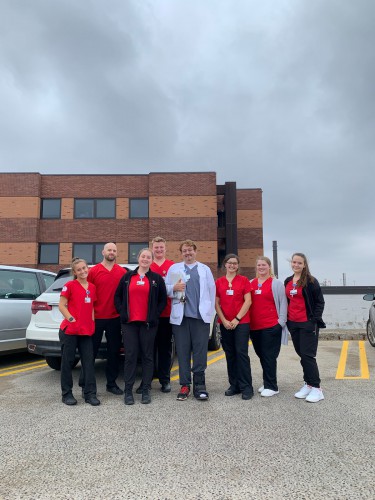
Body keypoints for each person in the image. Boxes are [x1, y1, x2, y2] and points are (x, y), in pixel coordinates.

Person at [114, 248, 167, 405]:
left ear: (151, 260)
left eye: (148, 257)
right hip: (129, 323)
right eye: (143, 256)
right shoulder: (127, 277)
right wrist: (122, 312)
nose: (145, 259)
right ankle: (128, 391)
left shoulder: (156, 278)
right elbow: (117, 296)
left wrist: (155, 314)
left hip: (148, 324)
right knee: (130, 356)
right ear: (138, 258)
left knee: (147, 356)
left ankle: (145, 389)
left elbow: (162, 300)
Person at [165, 239, 216, 401]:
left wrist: (208, 312)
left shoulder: (205, 269)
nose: (187, 253)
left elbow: (211, 291)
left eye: (190, 250)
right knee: (183, 352)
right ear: (181, 253)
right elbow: (166, 289)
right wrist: (174, 288)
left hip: (200, 318)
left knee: (200, 351)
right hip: (181, 319)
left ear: (195, 251)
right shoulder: (174, 268)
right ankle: (185, 385)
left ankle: (200, 385)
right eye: (184, 251)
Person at [79, 242, 126, 396]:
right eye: (109, 250)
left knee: (113, 353)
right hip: (96, 318)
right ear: (103, 252)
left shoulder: (121, 272)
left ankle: (111, 384)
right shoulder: (94, 271)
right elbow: (87, 293)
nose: (111, 252)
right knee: (90, 352)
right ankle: (86, 383)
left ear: (116, 253)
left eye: (114, 250)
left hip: (114, 318)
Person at [284, 253, 326, 403]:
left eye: (299, 263)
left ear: (304, 265)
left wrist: (313, 320)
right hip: (293, 323)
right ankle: (308, 384)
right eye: (294, 262)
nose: (296, 265)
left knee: (308, 356)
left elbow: (320, 302)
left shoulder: (311, 281)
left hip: (307, 323)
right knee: (301, 354)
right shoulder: (288, 281)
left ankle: (317, 388)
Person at [58, 257, 100, 406]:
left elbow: (92, 307)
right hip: (70, 331)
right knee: (68, 363)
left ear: (87, 268)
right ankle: (67, 394)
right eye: (79, 269)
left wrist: (92, 322)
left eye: (84, 268)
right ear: (75, 272)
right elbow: (62, 305)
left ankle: (89, 394)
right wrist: (71, 319)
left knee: (88, 363)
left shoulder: (92, 287)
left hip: (86, 332)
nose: (83, 271)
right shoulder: (69, 285)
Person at [215, 254, 253, 400]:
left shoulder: (243, 281)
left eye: (235, 263)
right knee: (230, 354)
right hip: (225, 323)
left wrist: (237, 319)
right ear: (225, 264)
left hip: (241, 323)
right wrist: (223, 320)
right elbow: (216, 303)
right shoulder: (219, 282)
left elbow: (248, 301)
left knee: (241, 354)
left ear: (238, 266)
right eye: (229, 263)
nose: (232, 265)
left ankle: (246, 387)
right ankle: (234, 385)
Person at [249, 256, 288, 397]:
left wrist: (281, 322)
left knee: (269, 356)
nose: (261, 267)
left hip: (271, 325)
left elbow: (283, 303)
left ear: (269, 267)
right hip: (254, 327)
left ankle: (272, 386)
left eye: (264, 265)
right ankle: (267, 382)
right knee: (261, 355)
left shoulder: (276, 283)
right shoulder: (251, 283)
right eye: (259, 265)